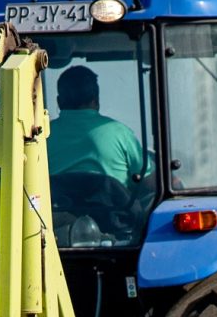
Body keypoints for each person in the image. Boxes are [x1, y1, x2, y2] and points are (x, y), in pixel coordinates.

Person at [48, 64, 151, 215]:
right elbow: (149, 182)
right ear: (96, 100)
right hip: (117, 224)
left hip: (56, 225)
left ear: (59, 102)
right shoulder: (120, 133)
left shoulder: (41, 137)